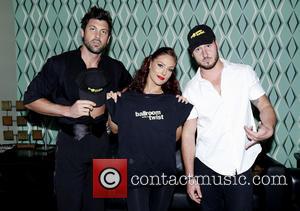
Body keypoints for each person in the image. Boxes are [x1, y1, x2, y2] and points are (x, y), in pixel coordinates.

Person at [23, 6, 132, 211]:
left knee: (100, 205)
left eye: (103, 32)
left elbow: (132, 90)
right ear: (82, 32)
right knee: (68, 205)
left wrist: (119, 101)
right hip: (71, 144)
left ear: (108, 38)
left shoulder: (115, 67)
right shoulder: (59, 64)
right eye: (92, 29)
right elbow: (29, 100)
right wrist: (67, 111)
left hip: (105, 144)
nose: (97, 36)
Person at [181, 24, 277, 211]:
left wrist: (269, 125)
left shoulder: (243, 73)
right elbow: (187, 135)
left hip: (240, 166)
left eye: (208, 45)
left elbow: (264, 105)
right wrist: (190, 178)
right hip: (206, 166)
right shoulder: (191, 89)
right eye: (198, 49)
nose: (205, 53)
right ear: (192, 54)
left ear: (216, 44)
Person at [106, 47, 193, 211]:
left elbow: (174, 138)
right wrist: (113, 108)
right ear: (150, 62)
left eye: (170, 69)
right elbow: (115, 130)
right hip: (135, 173)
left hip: (164, 174)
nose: (164, 72)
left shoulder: (174, 103)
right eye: (160, 65)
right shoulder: (125, 99)